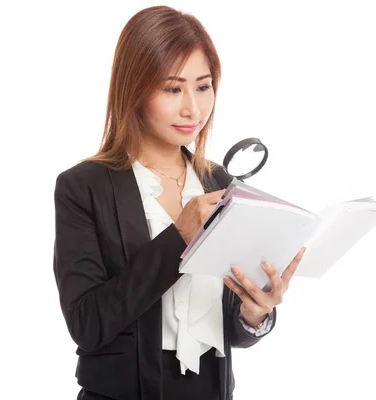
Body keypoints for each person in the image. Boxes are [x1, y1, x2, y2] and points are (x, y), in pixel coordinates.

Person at [53, 6, 305, 400]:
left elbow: (222, 323)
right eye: (173, 89)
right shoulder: (83, 187)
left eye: (203, 86)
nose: (193, 109)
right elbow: (87, 324)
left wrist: (254, 314)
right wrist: (180, 236)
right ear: (133, 89)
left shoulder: (218, 181)